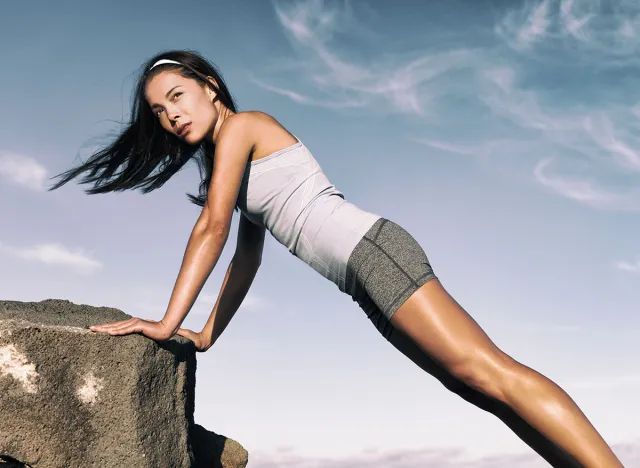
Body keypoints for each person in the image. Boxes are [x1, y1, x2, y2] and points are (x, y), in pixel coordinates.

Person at [49, 50, 623, 467]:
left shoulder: (245, 129)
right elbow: (245, 259)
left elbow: (212, 226)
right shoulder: (234, 166)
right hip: (359, 277)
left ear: (210, 88)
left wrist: (167, 323)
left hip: (375, 252)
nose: (170, 115)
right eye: (158, 111)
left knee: (491, 371)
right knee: (476, 388)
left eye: (177, 96)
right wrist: (204, 335)